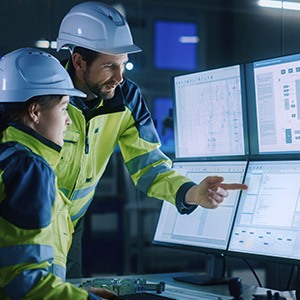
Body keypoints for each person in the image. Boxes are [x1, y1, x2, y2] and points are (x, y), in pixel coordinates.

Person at [56, 1, 248, 278]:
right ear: (78, 62)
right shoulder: (44, 94)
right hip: (22, 224)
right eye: (109, 66)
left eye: (122, 65)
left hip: (70, 227)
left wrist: (190, 193)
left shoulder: (128, 99)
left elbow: (149, 165)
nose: (119, 77)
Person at [0, 48, 116, 300]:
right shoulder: (29, 169)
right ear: (35, 111)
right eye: (64, 108)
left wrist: (73, 292)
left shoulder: (7, 158)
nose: (68, 121)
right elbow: (23, 280)